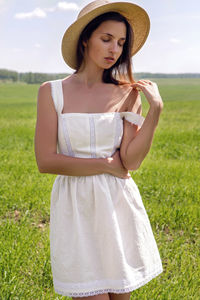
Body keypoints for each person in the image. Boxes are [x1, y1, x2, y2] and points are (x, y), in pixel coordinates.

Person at [34, 0, 164, 299]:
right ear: (85, 40)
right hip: (76, 205)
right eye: (106, 39)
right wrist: (106, 164)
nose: (114, 50)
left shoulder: (128, 93)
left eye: (120, 43)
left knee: (121, 295)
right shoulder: (51, 91)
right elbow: (46, 161)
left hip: (118, 204)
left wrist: (155, 110)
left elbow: (130, 162)